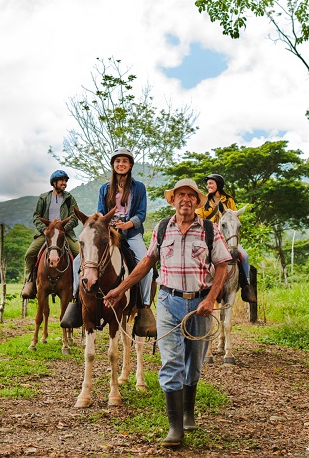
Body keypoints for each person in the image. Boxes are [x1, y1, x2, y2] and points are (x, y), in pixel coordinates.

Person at [103, 178, 231, 447]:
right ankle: (175, 428)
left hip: (200, 307)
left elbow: (222, 266)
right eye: (180, 195)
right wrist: (120, 288)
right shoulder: (162, 228)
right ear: (172, 201)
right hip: (168, 302)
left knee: (193, 364)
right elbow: (148, 262)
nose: (185, 199)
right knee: (171, 362)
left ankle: (187, 413)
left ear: (197, 202)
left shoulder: (209, 229)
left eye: (191, 196)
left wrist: (211, 299)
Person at [64, 148, 156, 336]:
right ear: (113, 165)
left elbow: (141, 214)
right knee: (76, 264)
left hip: (131, 234)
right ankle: (76, 300)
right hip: (109, 234)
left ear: (130, 165)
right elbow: (99, 212)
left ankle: (144, 306)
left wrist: (126, 224)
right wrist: (108, 224)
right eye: (117, 161)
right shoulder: (105, 188)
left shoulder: (139, 188)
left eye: (124, 161)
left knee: (148, 267)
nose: (121, 164)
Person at [197, 173, 256, 303]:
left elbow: (234, 219)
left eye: (211, 183)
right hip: (209, 238)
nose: (208, 186)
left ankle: (245, 285)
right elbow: (198, 219)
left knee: (244, 256)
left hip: (228, 237)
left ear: (218, 185)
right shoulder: (203, 202)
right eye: (207, 184)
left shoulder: (229, 200)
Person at [21, 170, 80, 299]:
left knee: (81, 255)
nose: (64, 183)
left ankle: (81, 287)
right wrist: (44, 230)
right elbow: (36, 217)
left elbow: (75, 218)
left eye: (65, 181)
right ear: (54, 183)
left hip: (65, 233)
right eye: (62, 181)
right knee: (29, 254)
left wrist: (63, 229)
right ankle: (29, 283)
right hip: (47, 233)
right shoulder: (43, 198)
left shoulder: (70, 198)